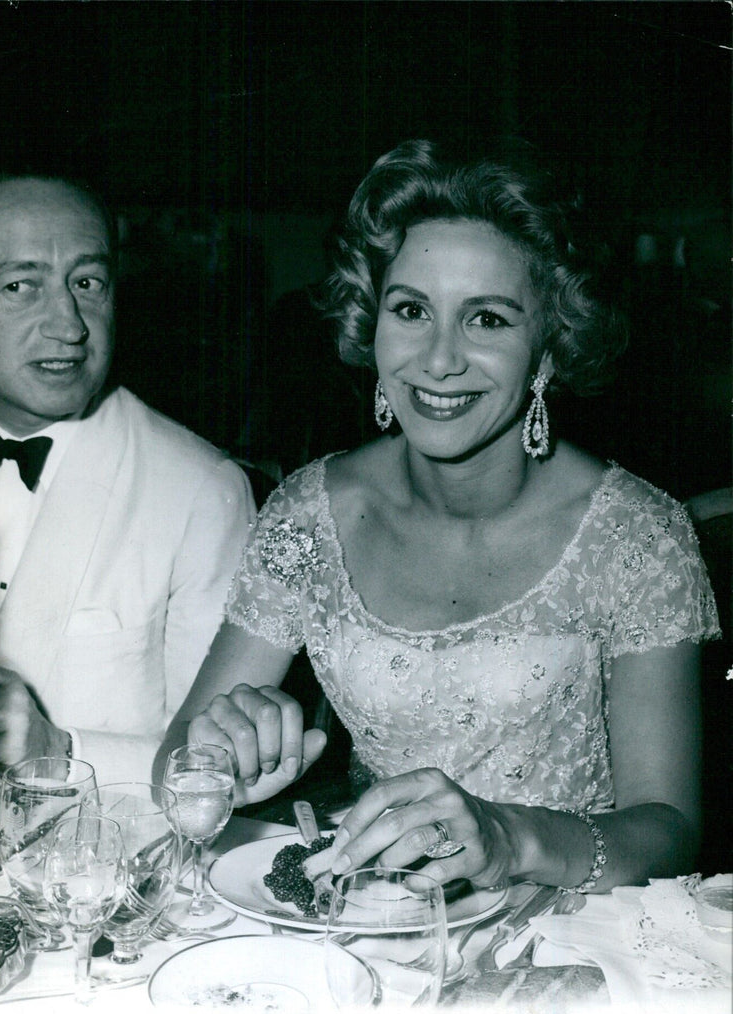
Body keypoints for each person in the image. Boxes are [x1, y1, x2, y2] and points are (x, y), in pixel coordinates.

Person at [158, 140, 720, 896]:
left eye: (486, 318)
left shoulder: (640, 537)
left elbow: (671, 829)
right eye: (412, 310)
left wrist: (509, 835)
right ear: (373, 321)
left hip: (569, 932)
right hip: (374, 916)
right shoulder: (307, 514)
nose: (439, 358)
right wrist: (225, 754)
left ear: (548, 344)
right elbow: (175, 761)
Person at [0, 171, 255, 784]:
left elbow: (219, 773)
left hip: (88, 866)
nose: (69, 325)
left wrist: (58, 749)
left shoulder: (202, 492)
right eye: (20, 286)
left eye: (87, 283)